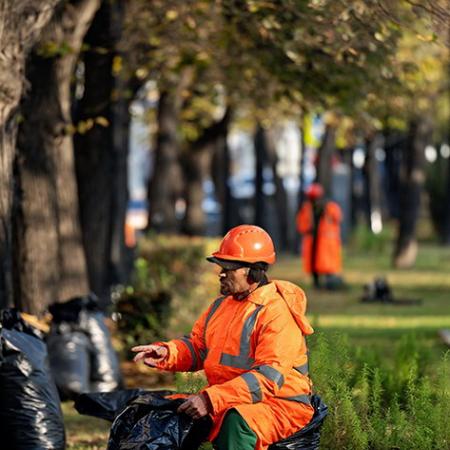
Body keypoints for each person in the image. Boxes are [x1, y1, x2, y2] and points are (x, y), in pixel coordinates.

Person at [132, 224, 315, 450]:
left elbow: (268, 379)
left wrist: (210, 400)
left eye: (228, 267)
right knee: (163, 415)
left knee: (236, 424)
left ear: (254, 272)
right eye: (221, 266)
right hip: (229, 399)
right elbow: (199, 348)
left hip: (281, 405)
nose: (221, 273)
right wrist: (166, 353)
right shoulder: (221, 306)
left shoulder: (276, 312)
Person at [296, 183, 343, 289]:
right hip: (313, 240)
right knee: (314, 264)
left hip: (326, 242)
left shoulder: (330, 207)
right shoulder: (306, 208)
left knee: (328, 265)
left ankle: (330, 284)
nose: (315, 201)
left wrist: (326, 210)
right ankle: (316, 284)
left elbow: (338, 217)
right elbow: (301, 225)